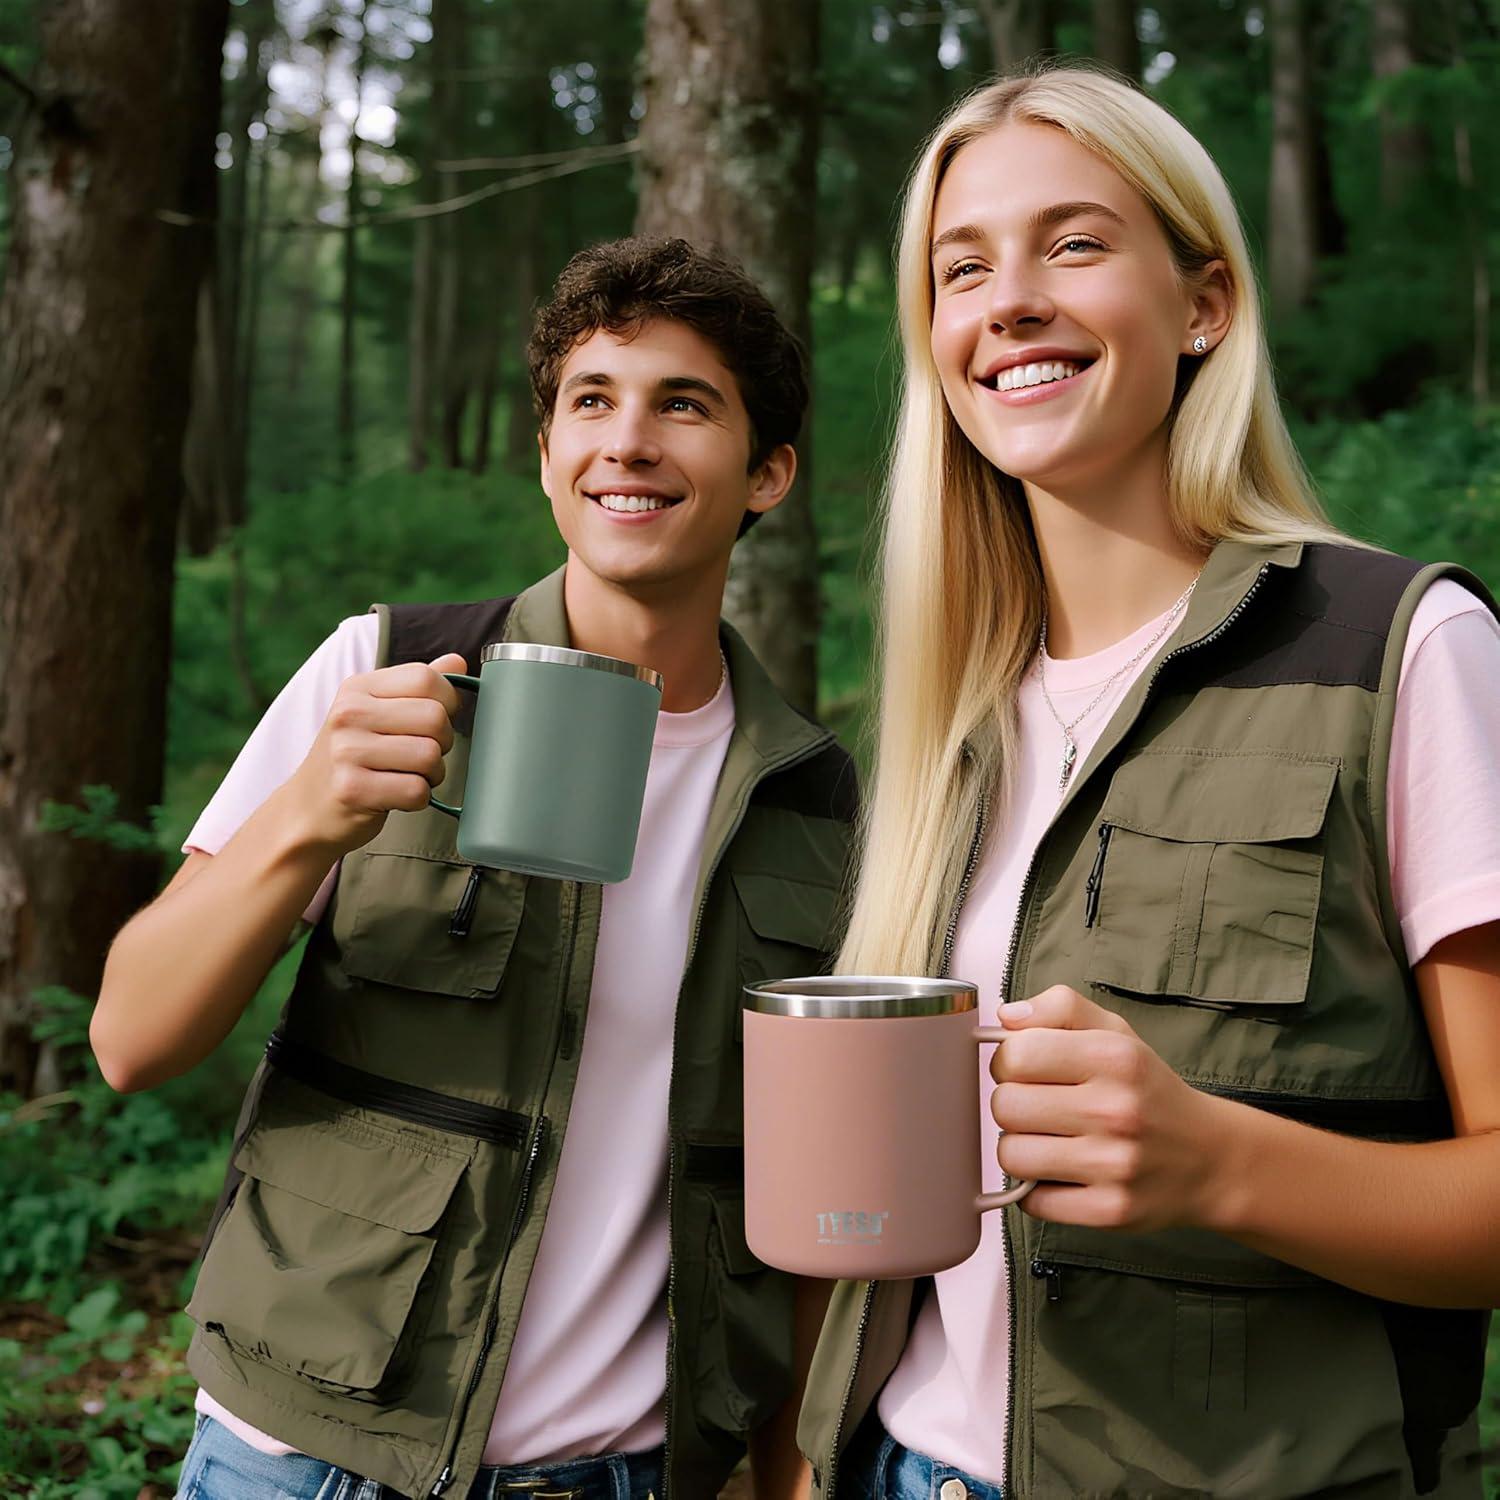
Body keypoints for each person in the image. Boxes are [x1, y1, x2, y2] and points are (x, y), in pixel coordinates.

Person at [796, 66, 1500, 1500]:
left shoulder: (1404, 650)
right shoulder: (949, 723)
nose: (1011, 301)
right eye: (963, 267)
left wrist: (1217, 1164)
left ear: (1204, 306)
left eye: (1074, 244)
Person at [92, 236, 855, 1500]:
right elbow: (131, 1036)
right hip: (305, 1460)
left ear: (768, 472)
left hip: (626, 1475)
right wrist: (304, 821)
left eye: (685, 404)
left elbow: (809, 1200)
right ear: (547, 453)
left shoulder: (818, 801)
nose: (629, 441)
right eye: (592, 401)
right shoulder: (382, 672)